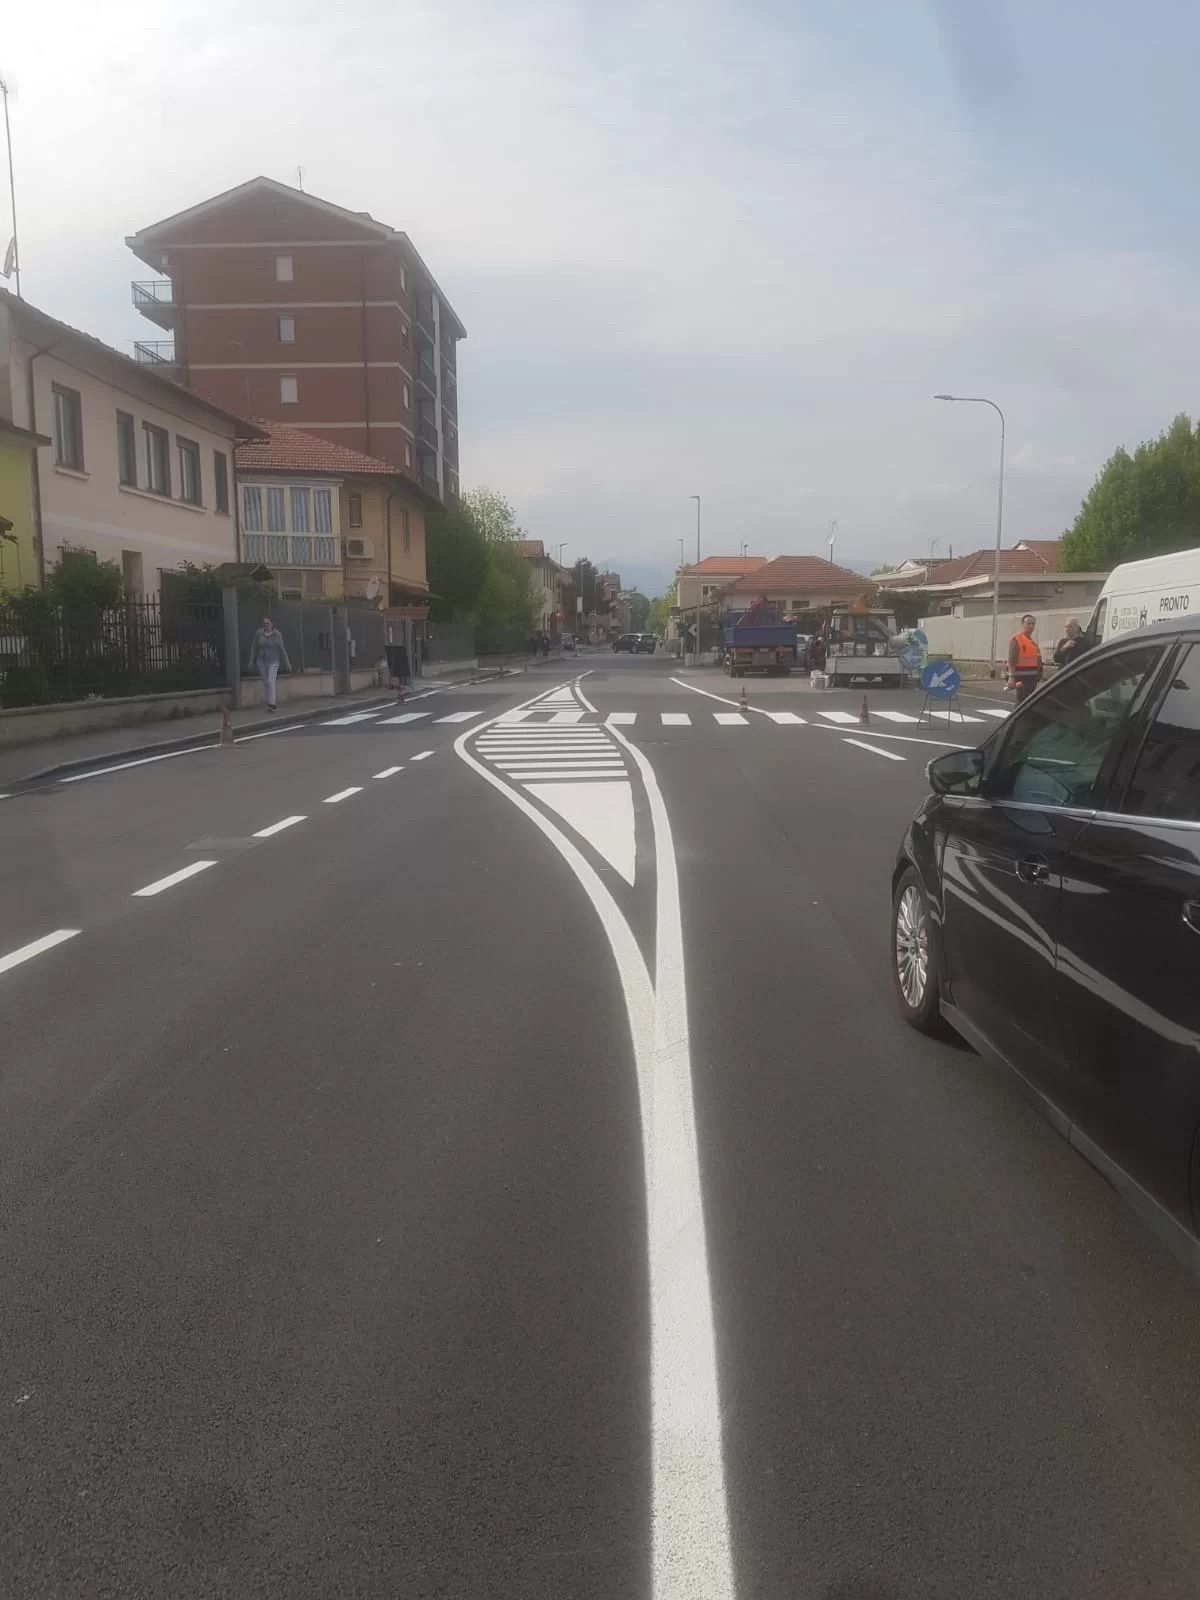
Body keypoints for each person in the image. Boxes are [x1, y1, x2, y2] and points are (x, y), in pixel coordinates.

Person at [248, 615, 291, 712]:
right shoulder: (259, 633)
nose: (266, 625)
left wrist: (287, 663)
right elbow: (254, 647)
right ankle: (270, 703)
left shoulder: (277, 634)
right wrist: (251, 661)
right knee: (266, 682)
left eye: (268, 623)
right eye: (264, 624)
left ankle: (272, 704)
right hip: (261, 661)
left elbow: (282, 649)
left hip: (273, 661)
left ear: (272, 624)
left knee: (271, 681)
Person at [1007, 613, 1043, 703]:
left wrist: (1039, 674)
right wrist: (1011, 677)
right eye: (1028, 623)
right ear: (1022, 624)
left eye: (1033, 624)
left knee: (1028, 702)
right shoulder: (1017, 639)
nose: (1031, 626)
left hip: (1032, 678)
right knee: (1023, 702)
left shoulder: (1032, 642)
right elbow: (1012, 659)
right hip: (1022, 678)